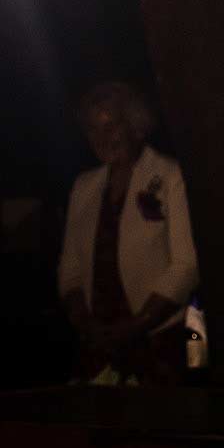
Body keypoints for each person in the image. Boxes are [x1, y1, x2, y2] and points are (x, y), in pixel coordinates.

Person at [57, 81, 199, 385]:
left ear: (135, 125)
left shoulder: (169, 176)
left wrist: (135, 325)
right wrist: (84, 323)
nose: (102, 138)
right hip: (97, 347)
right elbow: (70, 265)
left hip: (157, 344)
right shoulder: (84, 186)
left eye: (111, 126)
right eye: (93, 129)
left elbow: (185, 267)